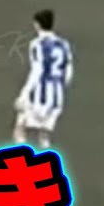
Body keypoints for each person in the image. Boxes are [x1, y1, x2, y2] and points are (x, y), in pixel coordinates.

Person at [13, 9, 73, 150]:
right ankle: (46, 159)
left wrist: (24, 94)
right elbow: (68, 71)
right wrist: (60, 89)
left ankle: (21, 160)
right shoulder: (64, 44)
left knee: (20, 128)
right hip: (57, 97)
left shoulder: (37, 44)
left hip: (40, 95)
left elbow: (37, 70)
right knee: (45, 134)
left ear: (37, 24)